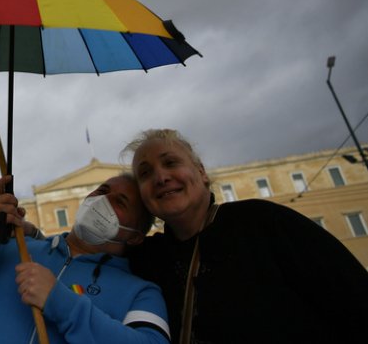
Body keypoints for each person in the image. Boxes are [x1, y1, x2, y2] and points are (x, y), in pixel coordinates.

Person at [125, 128, 368, 343]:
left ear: (202, 173)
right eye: (145, 174)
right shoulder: (147, 259)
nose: (160, 177)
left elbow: (354, 297)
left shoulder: (264, 223)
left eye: (170, 163)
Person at [0, 174, 170, 343]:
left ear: (137, 236)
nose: (102, 200)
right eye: (102, 190)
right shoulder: (15, 249)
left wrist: (61, 302)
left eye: (120, 202)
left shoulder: (142, 293)